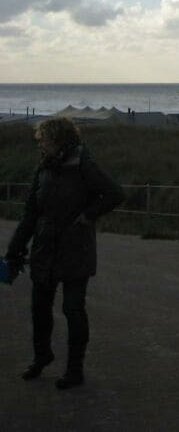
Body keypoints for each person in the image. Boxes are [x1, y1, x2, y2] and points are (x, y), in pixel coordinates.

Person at [4, 117, 125, 390]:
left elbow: (114, 193)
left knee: (73, 309)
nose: (41, 144)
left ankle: (74, 369)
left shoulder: (83, 163)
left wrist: (87, 216)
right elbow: (31, 213)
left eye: (44, 139)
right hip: (44, 248)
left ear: (58, 139)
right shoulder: (43, 167)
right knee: (39, 308)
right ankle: (42, 356)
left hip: (75, 249)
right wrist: (15, 249)